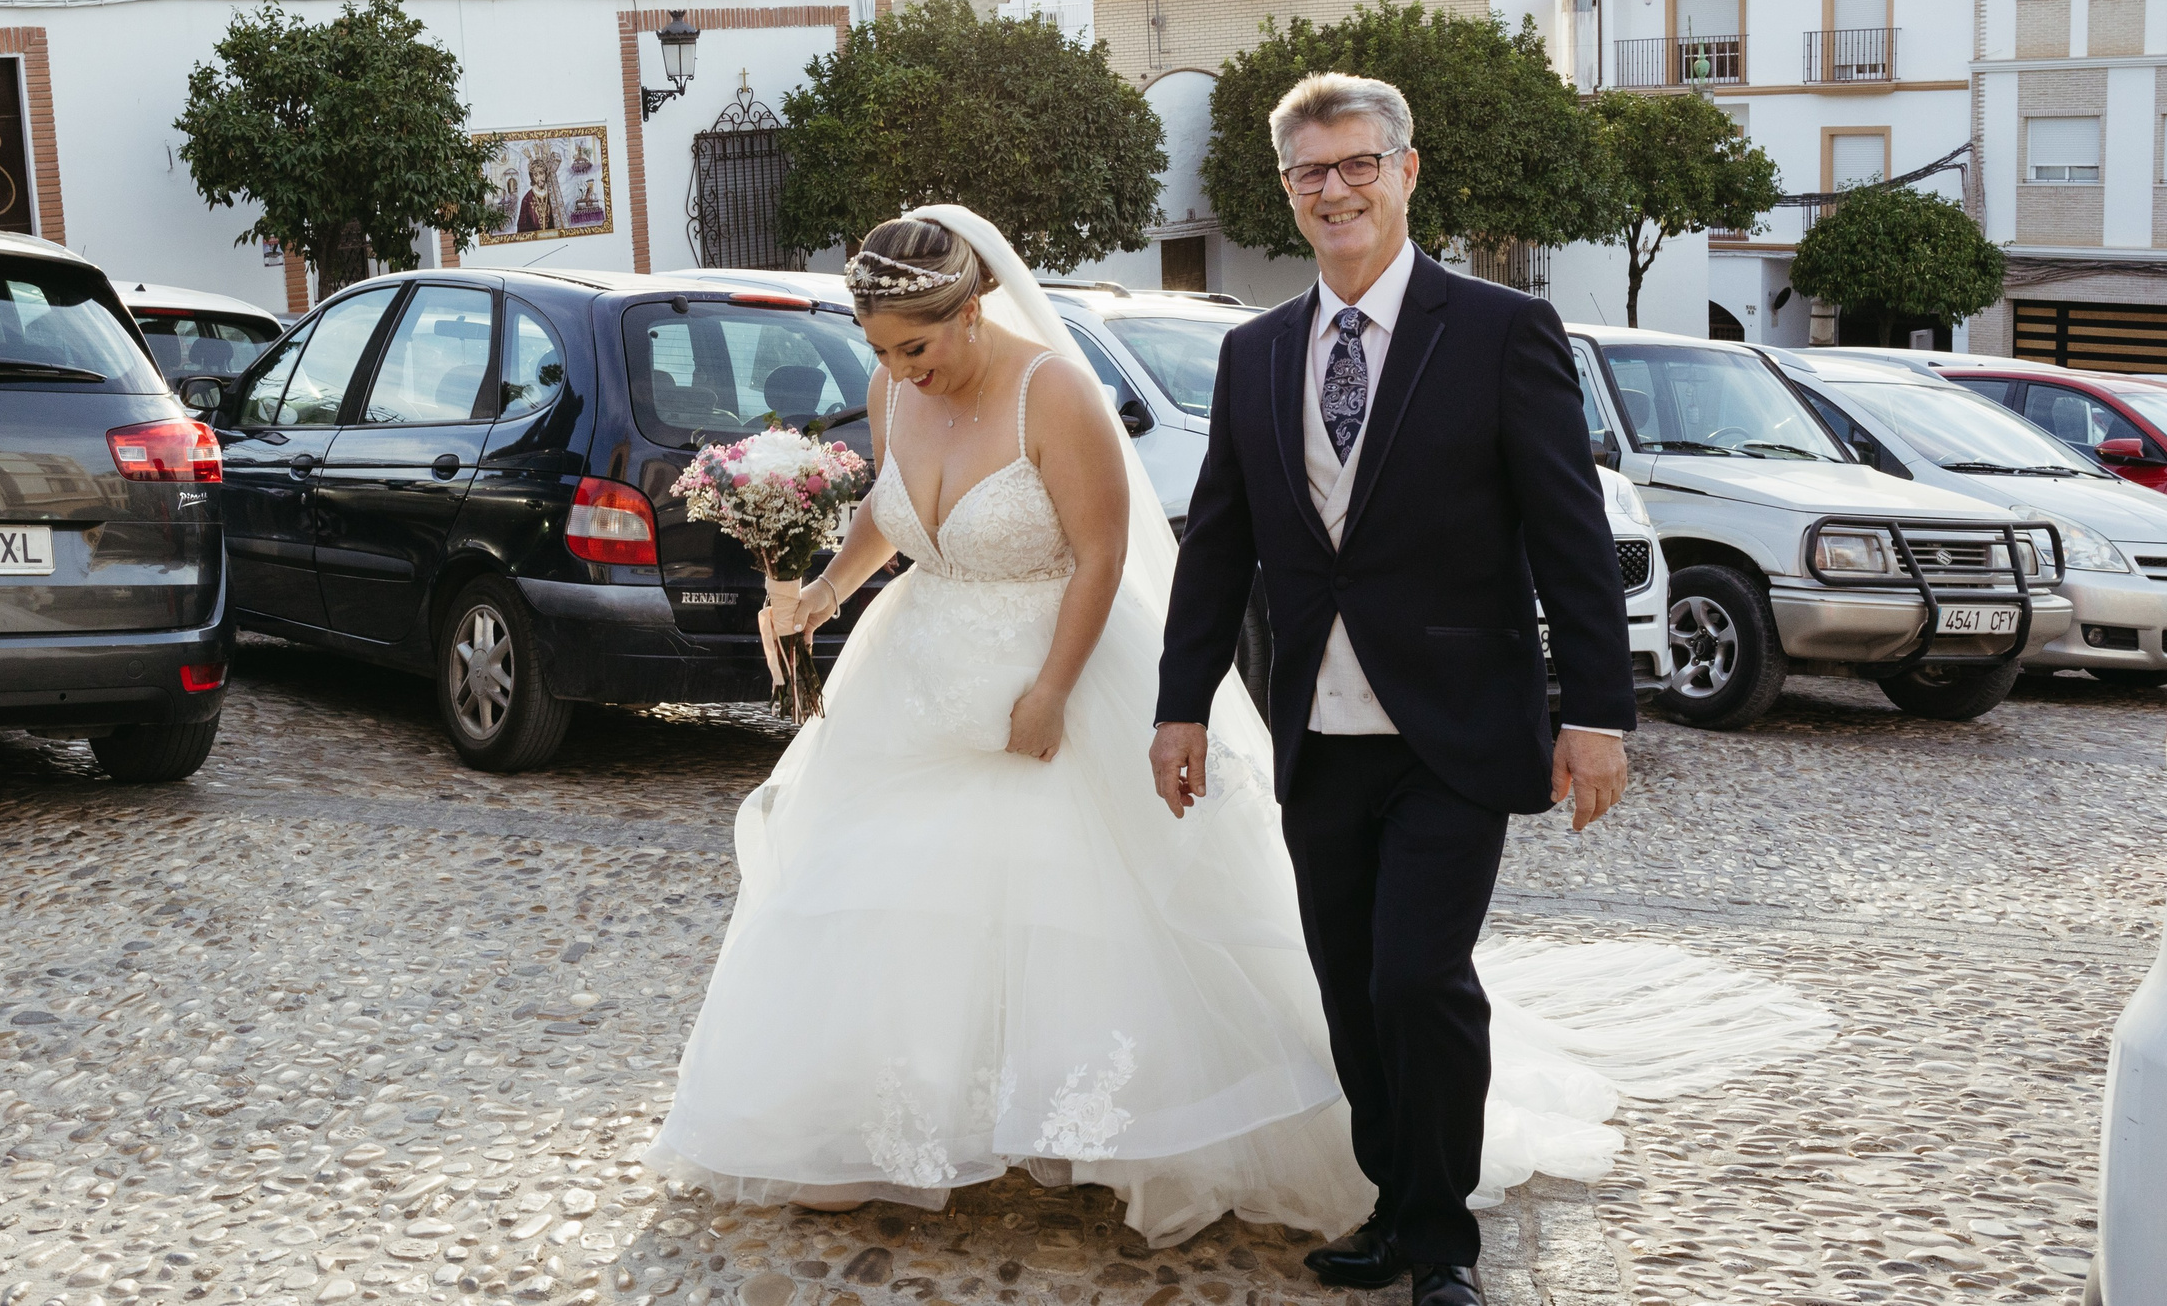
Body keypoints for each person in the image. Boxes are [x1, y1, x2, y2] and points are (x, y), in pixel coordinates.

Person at [647, 200, 1831, 1264]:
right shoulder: (900, 387)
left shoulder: (1053, 390)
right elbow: (896, 511)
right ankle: (925, 1121)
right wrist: (814, 593)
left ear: (973, 309)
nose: (897, 368)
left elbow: (1110, 553)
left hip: (1088, 670)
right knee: (896, 898)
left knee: (1172, 924)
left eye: (915, 344)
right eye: (880, 349)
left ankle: (1387, 1202)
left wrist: (1060, 687)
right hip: (916, 681)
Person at [1151, 73, 1632, 1306]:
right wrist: (1182, 702)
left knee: (1420, 979)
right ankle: (1391, 1202)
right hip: (1316, 729)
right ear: (1286, 192)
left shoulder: (1499, 331)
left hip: (1456, 728)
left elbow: (1567, 533)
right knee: (1351, 990)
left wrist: (1595, 714)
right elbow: (1218, 542)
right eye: (1310, 172)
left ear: (1407, 171)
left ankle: (1445, 1247)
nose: (1335, 191)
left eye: (1357, 164)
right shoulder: (1253, 352)